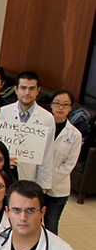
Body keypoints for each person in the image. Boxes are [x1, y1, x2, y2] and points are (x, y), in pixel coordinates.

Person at [0, 71, 56, 191]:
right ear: (16, 89)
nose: (27, 92)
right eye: (23, 88)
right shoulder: (3, 112)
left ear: (38, 90)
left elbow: (47, 154)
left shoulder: (47, 118)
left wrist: (43, 186)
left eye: (31, 88)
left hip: (30, 175)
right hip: (5, 172)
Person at [44, 89, 82, 234]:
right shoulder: (41, 128)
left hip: (58, 189)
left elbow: (69, 165)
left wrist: (49, 182)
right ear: (51, 105)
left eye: (65, 105)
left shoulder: (75, 135)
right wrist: (42, 181)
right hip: (37, 184)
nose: (60, 108)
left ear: (70, 108)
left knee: (51, 226)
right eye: (57, 103)